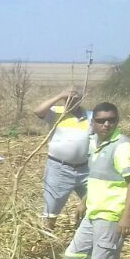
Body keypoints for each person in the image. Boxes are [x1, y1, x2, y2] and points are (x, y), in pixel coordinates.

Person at [60, 102, 130, 259]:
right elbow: (98, 179)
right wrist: (83, 200)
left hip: (111, 217)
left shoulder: (122, 147)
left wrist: (127, 217)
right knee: (73, 258)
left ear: (117, 121)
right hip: (93, 214)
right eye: (101, 120)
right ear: (93, 123)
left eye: (111, 120)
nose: (106, 124)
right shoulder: (96, 144)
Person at [33, 87, 92, 233]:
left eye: (75, 98)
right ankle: (47, 235)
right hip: (59, 168)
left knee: (93, 199)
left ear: (81, 99)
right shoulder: (56, 113)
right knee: (52, 207)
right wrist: (60, 95)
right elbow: (37, 111)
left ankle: (84, 230)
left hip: (85, 168)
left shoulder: (90, 115)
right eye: (68, 98)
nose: (70, 101)